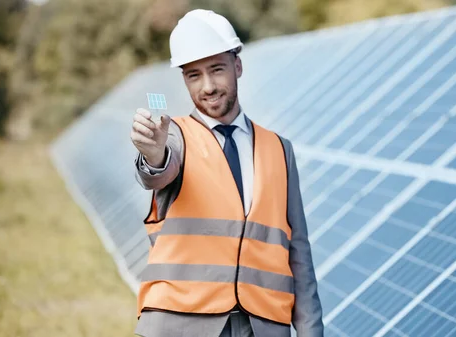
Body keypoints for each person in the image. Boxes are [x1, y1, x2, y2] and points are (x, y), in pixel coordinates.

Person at [130, 9, 324, 337]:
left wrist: (310, 332)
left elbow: (298, 253)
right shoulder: (175, 136)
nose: (207, 87)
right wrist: (152, 153)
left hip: (261, 325)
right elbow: (159, 170)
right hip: (181, 323)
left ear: (238, 65)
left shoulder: (279, 149)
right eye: (193, 75)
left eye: (216, 70)